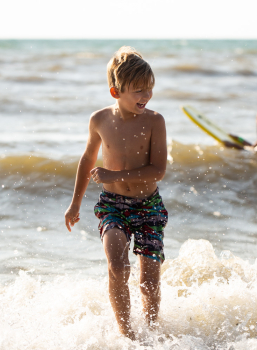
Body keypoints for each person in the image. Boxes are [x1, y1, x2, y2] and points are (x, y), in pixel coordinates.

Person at [64, 46, 168, 340]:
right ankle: (128, 337)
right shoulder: (99, 120)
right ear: (115, 92)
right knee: (119, 267)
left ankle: (153, 333)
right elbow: (87, 159)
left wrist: (115, 175)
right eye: (137, 90)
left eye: (149, 89)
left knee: (149, 280)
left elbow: (157, 170)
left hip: (148, 205)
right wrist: (75, 205)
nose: (145, 96)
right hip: (112, 205)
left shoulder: (154, 121)